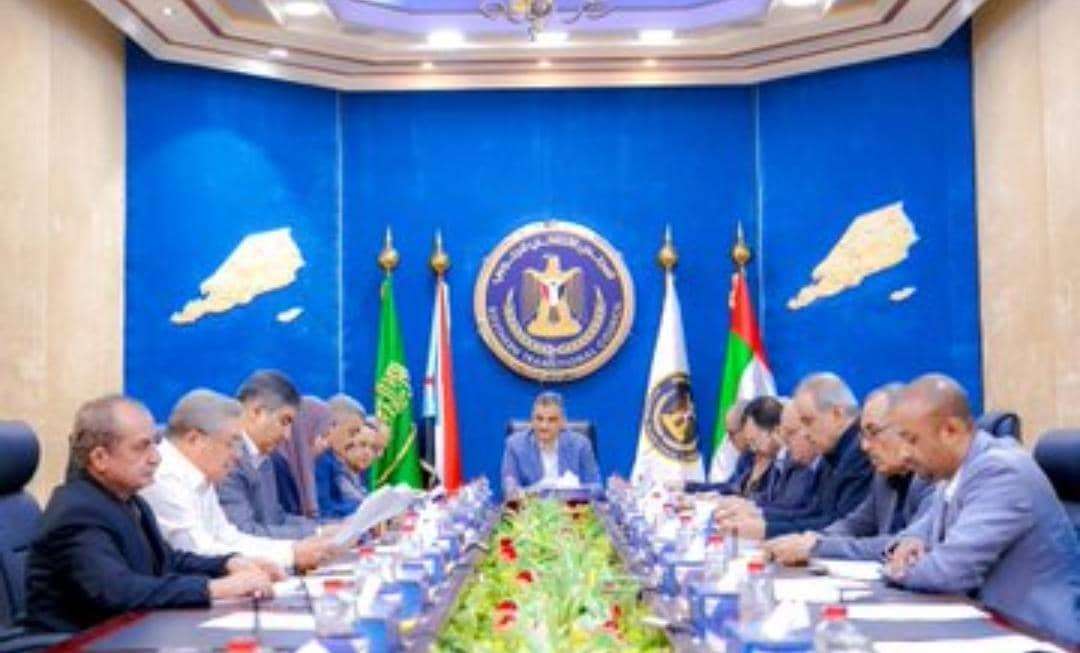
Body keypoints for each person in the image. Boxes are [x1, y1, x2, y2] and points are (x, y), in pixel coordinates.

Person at [23, 395, 273, 633]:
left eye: (155, 444)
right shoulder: (78, 512)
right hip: (77, 642)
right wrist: (213, 588)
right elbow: (117, 591)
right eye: (142, 447)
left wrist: (227, 564)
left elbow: (166, 561)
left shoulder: (131, 501)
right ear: (100, 458)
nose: (156, 458)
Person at [884, 374, 1080, 645]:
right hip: (990, 625)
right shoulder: (954, 472)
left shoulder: (1001, 472)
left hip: (1039, 635)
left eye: (912, 440)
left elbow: (947, 572)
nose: (904, 454)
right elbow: (921, 530)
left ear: (950, 431)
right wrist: (909, 541)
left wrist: (895, 570)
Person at [141, 389, 336, 574]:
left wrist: (292, 549)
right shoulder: (164, 477)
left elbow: (228, 537)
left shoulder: (199, 476)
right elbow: (197, 552)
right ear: (195, 440)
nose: (237, 455)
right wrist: (290, 555)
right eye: (231, 443)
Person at [764, 383, 934, 564]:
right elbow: (854, 524)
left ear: (907, 430)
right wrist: (809, 539)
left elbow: (901, 545)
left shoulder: (932, 479)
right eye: (863, 435)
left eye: (873, 432)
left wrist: (818, 547)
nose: (865, 446)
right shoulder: (883, 477)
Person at [715, 373, 873, 539]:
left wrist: (766, 528)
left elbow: (838, 525)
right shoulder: (832, 453)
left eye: (808, 421)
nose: (806, 433)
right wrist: (760, 516)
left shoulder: (859, 455)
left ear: (837, 414)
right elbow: (813, 511)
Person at [218, 370, 318, 538]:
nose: (287, 436)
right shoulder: (226, 457)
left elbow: (275, 518)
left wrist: (323, 530)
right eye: (284, 421)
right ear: (256, 412)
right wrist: (315, 533)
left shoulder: (265, 458)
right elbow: (244, 533)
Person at [500, 392, 600, 498]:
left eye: (551, 420)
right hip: (531, 507)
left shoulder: (581, 445)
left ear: (562, 423)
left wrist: (571, 492)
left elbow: (596, 488)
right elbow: (509, 487)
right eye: (539, 419)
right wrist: (534, 493)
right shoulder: (515, 445)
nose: (544, 426)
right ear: (532, 421)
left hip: (571, 505)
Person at [315, 394, 374, 518]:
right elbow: (324, 511)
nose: (354, 442)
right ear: (331, 426)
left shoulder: (332, 460)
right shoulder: (320, 460)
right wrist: (368, 509)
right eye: (352, 433)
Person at [272, 396, 332, 518]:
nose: (326, 445)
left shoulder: (308, 466)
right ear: (305, 432)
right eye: (322, 436)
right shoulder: (277, 466)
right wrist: (319, 528)